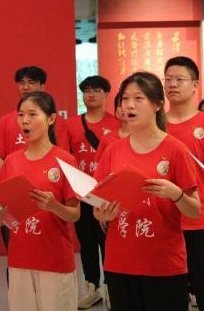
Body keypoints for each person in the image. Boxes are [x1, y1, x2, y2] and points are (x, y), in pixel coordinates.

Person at [93, 71, 201, 311]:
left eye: (138, 98)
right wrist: (103, 213)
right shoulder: (113, 151)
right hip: (120, 264)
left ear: (158, 104)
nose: (129, 105)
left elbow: (195, 210)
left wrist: (176, 194)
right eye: (125, 99)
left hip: (163, 265)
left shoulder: (175, 150)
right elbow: (97, 208)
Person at [0, 91, 80, 311]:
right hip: (19, 260)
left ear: (51, 119)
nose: (24, 120)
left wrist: (53, 206)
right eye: (20, 115)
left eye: (32, 114)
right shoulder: (11, 162)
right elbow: (1, 216)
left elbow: (75, 214)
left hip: (55, 260)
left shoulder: (65, 160)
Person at [163, 56, 204, 311]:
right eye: (168, 79)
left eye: (179, 79)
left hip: (200, 222)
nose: (172, 84)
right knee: (170, 294)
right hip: (164, 222)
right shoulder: (156, 124)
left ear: (195, 85)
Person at [0, 66, 69, 252]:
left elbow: (62, 159)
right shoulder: (5, 121)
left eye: (31, 82)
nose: (25, 87)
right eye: (21, 83)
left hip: (47, 192)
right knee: (15, 248)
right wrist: (12, 183)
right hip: (15, 196)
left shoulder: (57, 123)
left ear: (42, 86)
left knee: (48, 246)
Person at [65, 76, 119, 309]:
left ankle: (111, 288)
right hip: (81, 193)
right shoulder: (71, 125)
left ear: (106, 94)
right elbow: (65, 157)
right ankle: (92, 287)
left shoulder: (117, 122)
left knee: (109, 243)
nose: (91, 94)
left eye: (96, 90)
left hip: (106, 194)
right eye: (87, 90)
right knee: (86, 242)